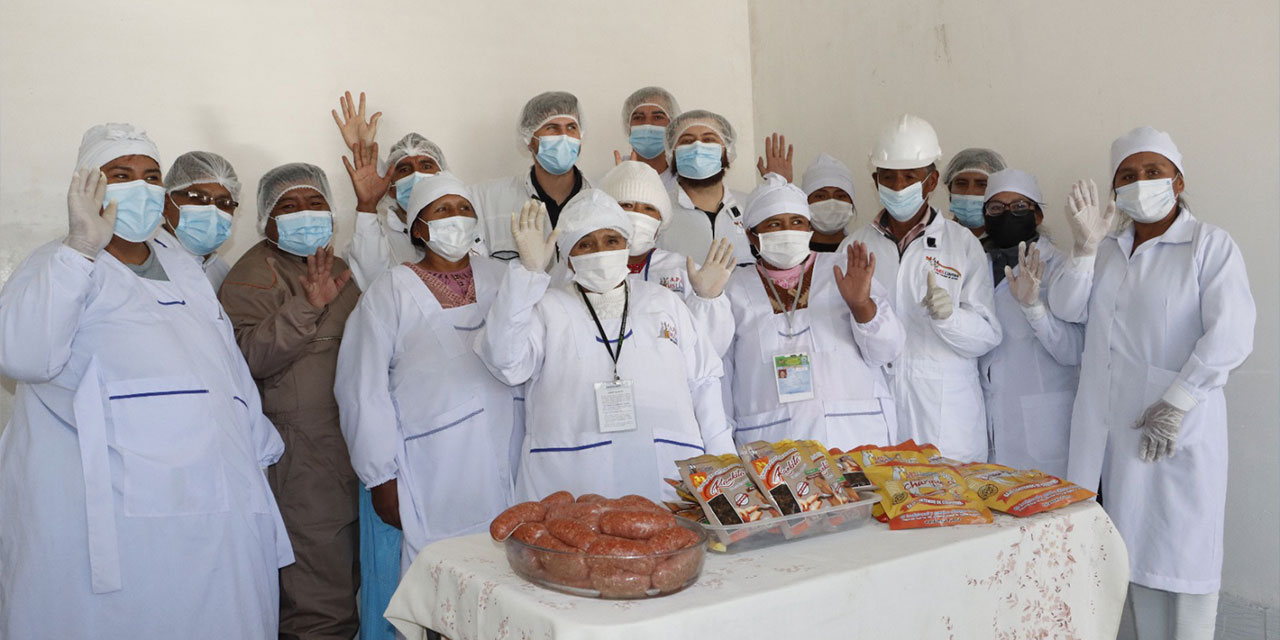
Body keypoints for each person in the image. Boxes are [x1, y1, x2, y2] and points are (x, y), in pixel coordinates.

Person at [0, 123, 291, 638]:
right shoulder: (58, 264)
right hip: (121, 521)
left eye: (151, 175)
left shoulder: (183, 267)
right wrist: (79, 250)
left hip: (224, 512)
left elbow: (225, 366)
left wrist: (259, 450)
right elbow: (24, 357)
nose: (141, 186)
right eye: (121, 174)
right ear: (90, 185)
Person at [1046, 127, 1255, 639]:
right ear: (1114, 189)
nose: (1141, 184)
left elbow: (1232, 332)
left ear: (1178, 180)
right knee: (1130, 570)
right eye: (1127, 176)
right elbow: (1066, 310)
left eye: (1153, 172)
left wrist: (1180, 399)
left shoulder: (1209, 245)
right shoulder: (1109, 249)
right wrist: (1083, 249)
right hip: (1114, 443)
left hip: (1177, 440)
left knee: (1185, 575)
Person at [475, 190, 735, 501]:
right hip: (573, 481)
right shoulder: (547, 308)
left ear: (626, 245)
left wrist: (725, 468)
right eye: (585, 244)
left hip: (665, 475)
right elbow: (504, 361)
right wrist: (527, 275)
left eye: (611, 240)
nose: (600, 251)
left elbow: (705, 382)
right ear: (569, 256)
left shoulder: (662, 301)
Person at [336, 171, 520, 575]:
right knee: (448, 578)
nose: (457, 217)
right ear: (418, 226)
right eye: (443, 209)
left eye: (464, 208)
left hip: (512, 449)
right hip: (434, 465)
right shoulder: (389, 291)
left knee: (518, 572)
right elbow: (361, 389)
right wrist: (380, 478)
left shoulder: (504, 277)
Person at [220, 161, 362, 640]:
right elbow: (245, 362)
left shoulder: (340, 270)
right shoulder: (249, 279)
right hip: (301, 460)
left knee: (349, 585)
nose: (305, 213)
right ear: (266, 220)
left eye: (315, 202)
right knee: (317, 606)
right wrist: (305, 308)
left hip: (351, 449)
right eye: (289, 205)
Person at [839, 114, 1001, 462]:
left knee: (953, 511)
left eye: (910, 177)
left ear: (931, 181)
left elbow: (987, 336)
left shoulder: (961, 245)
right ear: (875, 181)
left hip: (945, 420)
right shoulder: (854, 247)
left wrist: (950, 318)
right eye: (889, 177)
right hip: (876, 410)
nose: (898, 187)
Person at [723, 173, 903, 446]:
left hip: (854, 434)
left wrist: (861, 306)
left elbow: (888, 351)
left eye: (797, 222)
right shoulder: (733, 288)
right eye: (774, 224)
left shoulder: (843, 269)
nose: (788, 231)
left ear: (809, 228)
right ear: (751, 234)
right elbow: (721, 376)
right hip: (771, 442)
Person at [553, 161, 736, 354]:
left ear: (661, 222)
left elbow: (710, 351)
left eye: (648, 208)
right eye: (627, 205)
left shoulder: (683, 270)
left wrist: (707, 300)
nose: (637, 215)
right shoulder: (578, 268)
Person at [975, 169, 1083, 476]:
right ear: (985, 217)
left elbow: (1074, 350)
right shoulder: (975, 267)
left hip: (1045, 424)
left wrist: (1035, 310)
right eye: (996, 208)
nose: (1008, 214)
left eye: (1020, 207)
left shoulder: (1062, 268)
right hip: (987, 420)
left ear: (1037, 215)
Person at [473, 91, 589, 262]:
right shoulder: (487, 199)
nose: (564, 136)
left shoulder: (599, 197)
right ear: (529, 138)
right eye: (552, 128)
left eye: (571, 127)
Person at [656, 109, 754, 265]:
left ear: (727, 150)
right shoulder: (658, 212)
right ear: (671, 153)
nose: (697, 147)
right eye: (687, 141)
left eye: (709, 139)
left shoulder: (751, 206)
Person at [158, 150, 241, 289]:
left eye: (224, 203)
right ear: (166, 203)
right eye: (197, 197)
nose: (212, 210)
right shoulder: (146, 263)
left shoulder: (221, 269)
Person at [617, 86, 681, 190]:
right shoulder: (612, 181)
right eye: (638, 118)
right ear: (628, 126)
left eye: (657, 117)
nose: (647, 125)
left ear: (672, 125)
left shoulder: (684, 183)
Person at [942, 147, 1006, 240]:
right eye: (961, 183)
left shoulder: (1012, 243)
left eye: (982, 184)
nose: (969, 192)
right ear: (950, 188)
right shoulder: (934, 237)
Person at [801, 153, 858, 252]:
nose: (831, 203)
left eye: (840, 196)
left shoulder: (862, 251)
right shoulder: (794, 256)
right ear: (806, 203)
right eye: (820, 196)